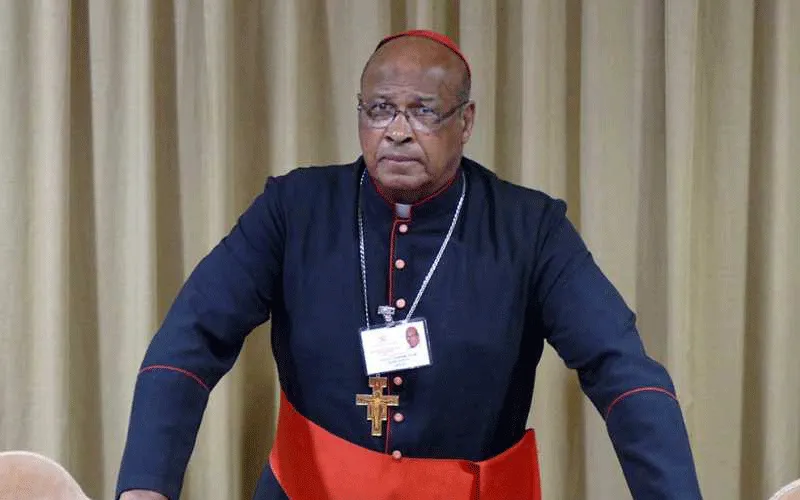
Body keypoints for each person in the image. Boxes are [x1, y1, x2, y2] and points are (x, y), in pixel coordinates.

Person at [116, 30, 703, 499]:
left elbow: (621, 367)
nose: (397, 131)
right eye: (379, 110)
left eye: (423, 112)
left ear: (465, 122)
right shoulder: (294, 209)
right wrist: (145, 486)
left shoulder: (530, 229)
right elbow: (191, 337)